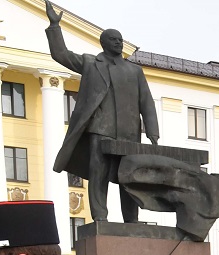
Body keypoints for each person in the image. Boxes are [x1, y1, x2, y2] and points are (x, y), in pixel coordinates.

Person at [44, 1, 160, 223]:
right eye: (114, 39)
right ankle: (100, 218)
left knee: (130, 177)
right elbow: (61, 54)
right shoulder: (91, 63)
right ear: (104, 43)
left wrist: (152, 132)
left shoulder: (134, 70)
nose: (118, 42)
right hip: (100, 129)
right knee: (99, 175)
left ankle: (131, 221)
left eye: (120, 39)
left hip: (129, 133)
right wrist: (54, 25)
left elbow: (146, 101)